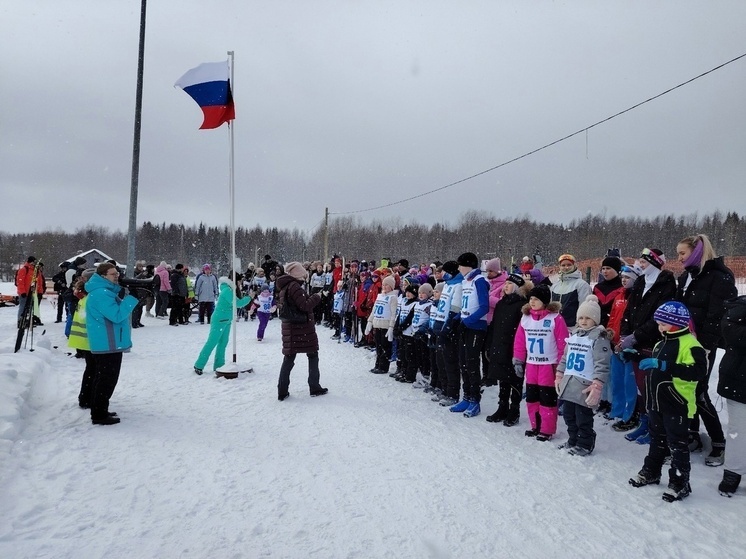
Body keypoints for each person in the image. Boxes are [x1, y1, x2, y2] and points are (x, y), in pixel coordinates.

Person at [628, 301, 706, 502]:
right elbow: (656, 366)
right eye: (659, 324)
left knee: (677, 444)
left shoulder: (691, 344)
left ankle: (680, 483)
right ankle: (651, 471)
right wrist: (635, 355)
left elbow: (697, 372)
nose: (660, 328)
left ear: (678, 323)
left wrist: (664, 365)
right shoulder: (660, 343)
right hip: (656, 402)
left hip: (677, 404)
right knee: (657, 439)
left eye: (663, 324)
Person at [675, 233, 737, 465]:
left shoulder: (719, 278)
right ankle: (692, 435)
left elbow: (717, 317)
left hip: (701, 347)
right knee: (684, 389)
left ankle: (719, 443)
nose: (679, 258)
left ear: (697, 252)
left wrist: (705, 347)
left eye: (683, 253)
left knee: (699, 392)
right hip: (681, 343)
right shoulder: (687, 277)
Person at [616, 248, 677, 434]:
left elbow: (658, 318)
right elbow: (630, 310)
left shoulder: (666, 284)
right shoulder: (641, 281)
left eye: (644, 262)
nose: (640, 266)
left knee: (651, 386)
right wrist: (626, 334)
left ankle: (655, 427)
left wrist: (636, 336)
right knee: (640, 386)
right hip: (635, 340)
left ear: (656, 263)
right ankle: (644, 423)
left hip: (652, 340)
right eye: (640, 262)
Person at [555, 295, 612, 456]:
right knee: (569, 415)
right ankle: (573, 439)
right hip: (569, 383)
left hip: (584, 386)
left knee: (583, 418)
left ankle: (585, 443)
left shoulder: (599, 338)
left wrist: (597, 385)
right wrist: (559, 375)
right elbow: (565, 357)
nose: (584, 321)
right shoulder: (574, 335)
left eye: (588, 318)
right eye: (581, 318)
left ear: (595, 319)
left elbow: (602, 364)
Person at [513, 284, 569, 441]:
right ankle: (535, 425)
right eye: (531, 298)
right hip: (532, 365)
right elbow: (519, 341)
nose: (532, 302)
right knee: (532, 397)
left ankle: (547, 429)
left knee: (547, 399)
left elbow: (562, 343)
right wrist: (518, 360)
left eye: (536, 299)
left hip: (548, 365)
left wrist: (560, 365)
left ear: (544, 302)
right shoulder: (526, 318)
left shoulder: (555, 319)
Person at [85, 263, 139, 425]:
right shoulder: (101, 294)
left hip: (108, 342)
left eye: (117, 273)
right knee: (107, 379)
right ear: (103, 276)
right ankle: (99, 414)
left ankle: (100, 409)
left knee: (103, 378)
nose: (117, 276)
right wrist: (131, 299)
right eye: (112, 274)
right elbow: (116, 316)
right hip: (107, 344)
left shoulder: (103, 292)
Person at [276, 262, 328, 400]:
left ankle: (282, 390)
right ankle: (314, 386)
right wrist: (317, 297)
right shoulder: (295, 287)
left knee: (289, 358)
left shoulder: (285, 286)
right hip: (301, 328)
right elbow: (304, 306)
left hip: (291, 328)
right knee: (312, 355)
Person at [485, 273, 532, 426]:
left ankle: (514, 409)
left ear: (517, 288)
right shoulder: (501, 303)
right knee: (502, 378)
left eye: (509, 284)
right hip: (499, 345)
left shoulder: (522, 305)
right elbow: (494, 325)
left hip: (514, 348)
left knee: (515, 379)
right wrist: (489, 344)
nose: (505, 286)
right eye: (505, 283)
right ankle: (502, 407)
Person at [449, 252, 490, 418]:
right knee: (463, 362)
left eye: (460, 265)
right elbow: (466, 305)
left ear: (469, 265)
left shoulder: (480, 281)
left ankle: (475, 400)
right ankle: (466, 396)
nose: (458, 268)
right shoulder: (466, 281)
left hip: (476, 327)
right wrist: (457, 320)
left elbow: (484, 307)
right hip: (465, 325)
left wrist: (467, 321)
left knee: (472, 364)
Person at [194, 272, 251, 375]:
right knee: (212, 342)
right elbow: (237, 303)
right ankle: (199, 365)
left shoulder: (230, 290)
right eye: (239, 281)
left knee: (223, 343)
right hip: (219, 320)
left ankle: (219, 365)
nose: (240, 283)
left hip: (227, 320)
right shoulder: (227, 291)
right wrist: (249, 298)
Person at [717, 295, 746, 497]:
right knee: (738, 429)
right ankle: (733, 472)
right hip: (739, 379)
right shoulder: (740, 306)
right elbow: (730, 331)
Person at [67, 268, 98, 409]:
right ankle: (87, 398)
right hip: (89, 339)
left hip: (83, 339)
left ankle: (85, 397)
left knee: (90, 370)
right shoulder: (89, 298)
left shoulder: (82, 295)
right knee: (93, 370)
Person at [366, 275, 398, 375]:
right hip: (377, 324)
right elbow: (374, 310)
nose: (384, 287)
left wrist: (391, 327)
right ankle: (378, 364)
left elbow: (393, 314)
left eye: (386, 285)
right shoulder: (380, 296)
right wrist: (370, 321)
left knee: (385, 346)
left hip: (385, 325)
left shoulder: (393, 298)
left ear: (391, 287)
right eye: (383, 285)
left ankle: (384, 366)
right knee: (378, 345)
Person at [550, 253, 591, 328]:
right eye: (563, 265)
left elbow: (584, 307)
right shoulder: (555, 285)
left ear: (574, 266)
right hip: (555, 327)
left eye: (569, 265)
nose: (566, 267)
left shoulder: (581, 285)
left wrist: (579, 326)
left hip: (572, 328)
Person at [16, 256, 45, 325]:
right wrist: (22, 291)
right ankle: (21, 321)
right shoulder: (24, 269)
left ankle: (27, 321)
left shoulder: (36, 271)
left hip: (33, 293)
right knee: (23, 307)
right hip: (25, 293)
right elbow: (20, 282)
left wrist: (40, 292)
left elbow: (39, 283)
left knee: (30, 308)